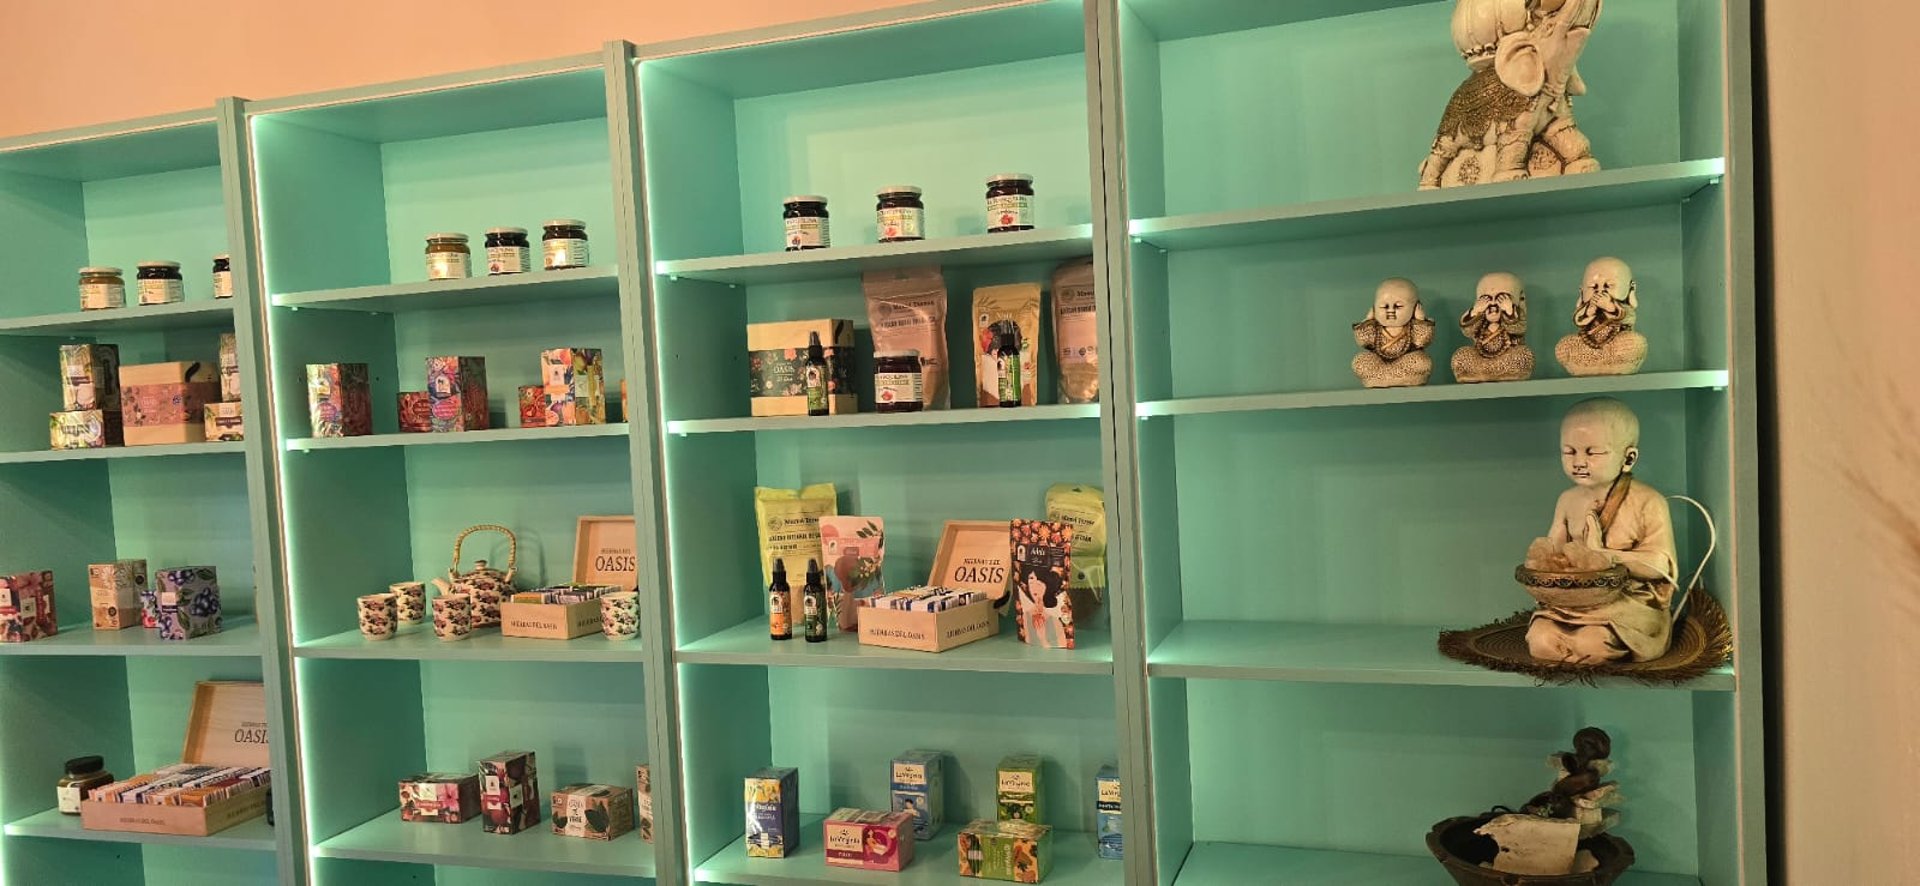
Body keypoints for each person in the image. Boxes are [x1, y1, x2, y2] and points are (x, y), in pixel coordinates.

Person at [1527, 398, 1678, 663]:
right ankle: (1571, 650)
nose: (1579, 462)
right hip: (1573, 600)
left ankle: (1582, 650)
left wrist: (1603, 556)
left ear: (1628, 458)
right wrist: (1546, 566)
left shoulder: (1649, 502)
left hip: (1628, 602)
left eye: (1592, 452)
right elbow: (1551, 555)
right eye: (1569, 451)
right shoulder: (1567, 500)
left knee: (1593, 643)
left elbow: (1660, 566)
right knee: (1540, 640)